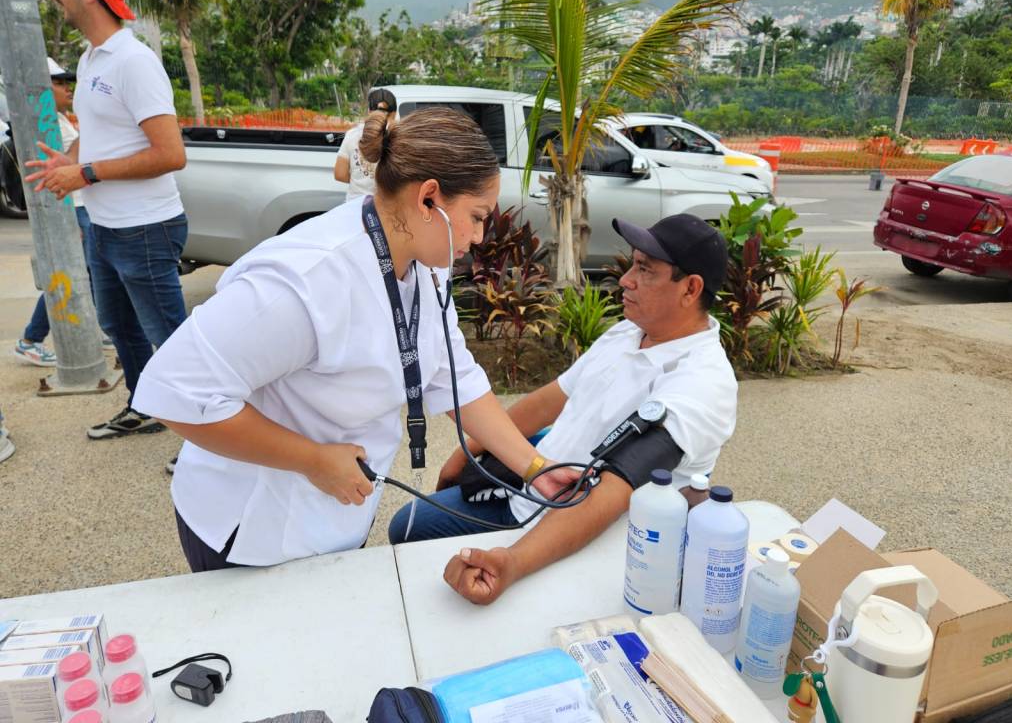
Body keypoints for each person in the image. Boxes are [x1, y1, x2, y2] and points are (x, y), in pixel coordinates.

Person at [131, 107, 576, 572]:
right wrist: (313, 460)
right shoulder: (306, 279)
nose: (481, 237)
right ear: (428, 200)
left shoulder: (426, 263)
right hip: (252, 529)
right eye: (477, 217)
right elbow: (175, 390)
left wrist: (534, 469)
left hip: (335, 515)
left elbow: (453, 373)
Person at [389, 214, 739, 606]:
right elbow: (546, 402)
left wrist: (514, 561)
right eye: (632, 264)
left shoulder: (701, 383)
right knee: (410, 526)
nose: (626, 280)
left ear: (690, 289)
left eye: (645, 270)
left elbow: (614, 491)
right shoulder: (630, 331)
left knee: (407, 531)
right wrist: (467, 452)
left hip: (576, 534)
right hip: (532, 487)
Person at [25, 0, 189, 440]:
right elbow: (100, 135)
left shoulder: (135, 62)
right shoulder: (90, 58)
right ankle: (145, 408)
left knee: (174, 342)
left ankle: (215, 448)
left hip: (145, 227)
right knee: (120, 325)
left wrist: (87, 173)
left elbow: (170, 153)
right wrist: (69, 159)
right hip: (105, 226)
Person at [14, 58, 108, 368]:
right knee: (71, 275)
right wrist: (64, 220)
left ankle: (98, 326)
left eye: (68, 82)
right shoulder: (45, 123)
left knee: (90, 273)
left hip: (83, 206)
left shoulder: (60, 119)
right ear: (41, 89)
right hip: (73, 208)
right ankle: (31, 339)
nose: (67, 88)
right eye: (59, 83)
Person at [334, 88, 396, 201]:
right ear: (394, 114)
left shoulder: (352, 135)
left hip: (355, 205)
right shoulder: (398, 137)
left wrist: (358, 181)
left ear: (369, 111)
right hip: (385, 208)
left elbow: (340, 174)